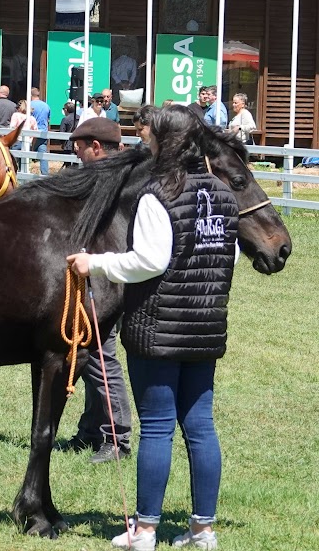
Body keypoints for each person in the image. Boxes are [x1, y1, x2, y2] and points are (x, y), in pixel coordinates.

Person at [67, 104, 242, 551]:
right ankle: (203, 530)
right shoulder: (223, 194)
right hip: (206, 327)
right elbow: (232, 256)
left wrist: (95, 262)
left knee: (159, 427)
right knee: (201, 426)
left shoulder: (156, 193)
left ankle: (144, 530)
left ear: (163, 142)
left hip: (159, 327)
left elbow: (149, 261)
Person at [58, 116, 134, 464]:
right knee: (89, 353)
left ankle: (118, 437)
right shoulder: (123, 176)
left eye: (80, 149)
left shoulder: (112, 180)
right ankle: (91, 429)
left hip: (107, 279)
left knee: (101, 356)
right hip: (105, 275)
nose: (77, 156)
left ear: (97, 148)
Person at [29, 88, 52, 174]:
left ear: (31, 95)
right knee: (43, 154)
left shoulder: (29, 105)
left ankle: (24, 171)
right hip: (43, 132)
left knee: (25, 153)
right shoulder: (46, 105)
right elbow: (48, 119)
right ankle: (44, 174)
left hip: (31, 133)